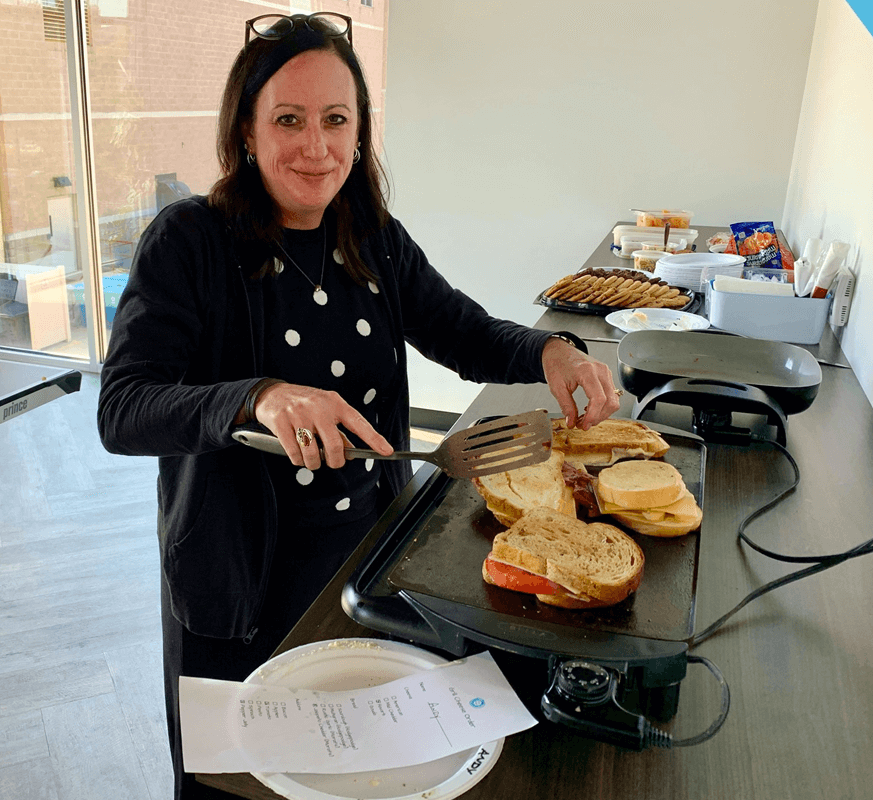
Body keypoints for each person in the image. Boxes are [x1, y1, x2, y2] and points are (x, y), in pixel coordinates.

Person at [97, 12, 620, 798]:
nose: (317, 146)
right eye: (289, 120)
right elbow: (123, 408)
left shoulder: (369, 234)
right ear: (245, 128)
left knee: (354, 769)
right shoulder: (189, 241)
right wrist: (259, 397)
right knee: (239, 785)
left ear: (360, 129)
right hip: (238, 584)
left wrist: (547, 350)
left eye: (336, 120)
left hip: (365, 567)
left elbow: (458, 326)